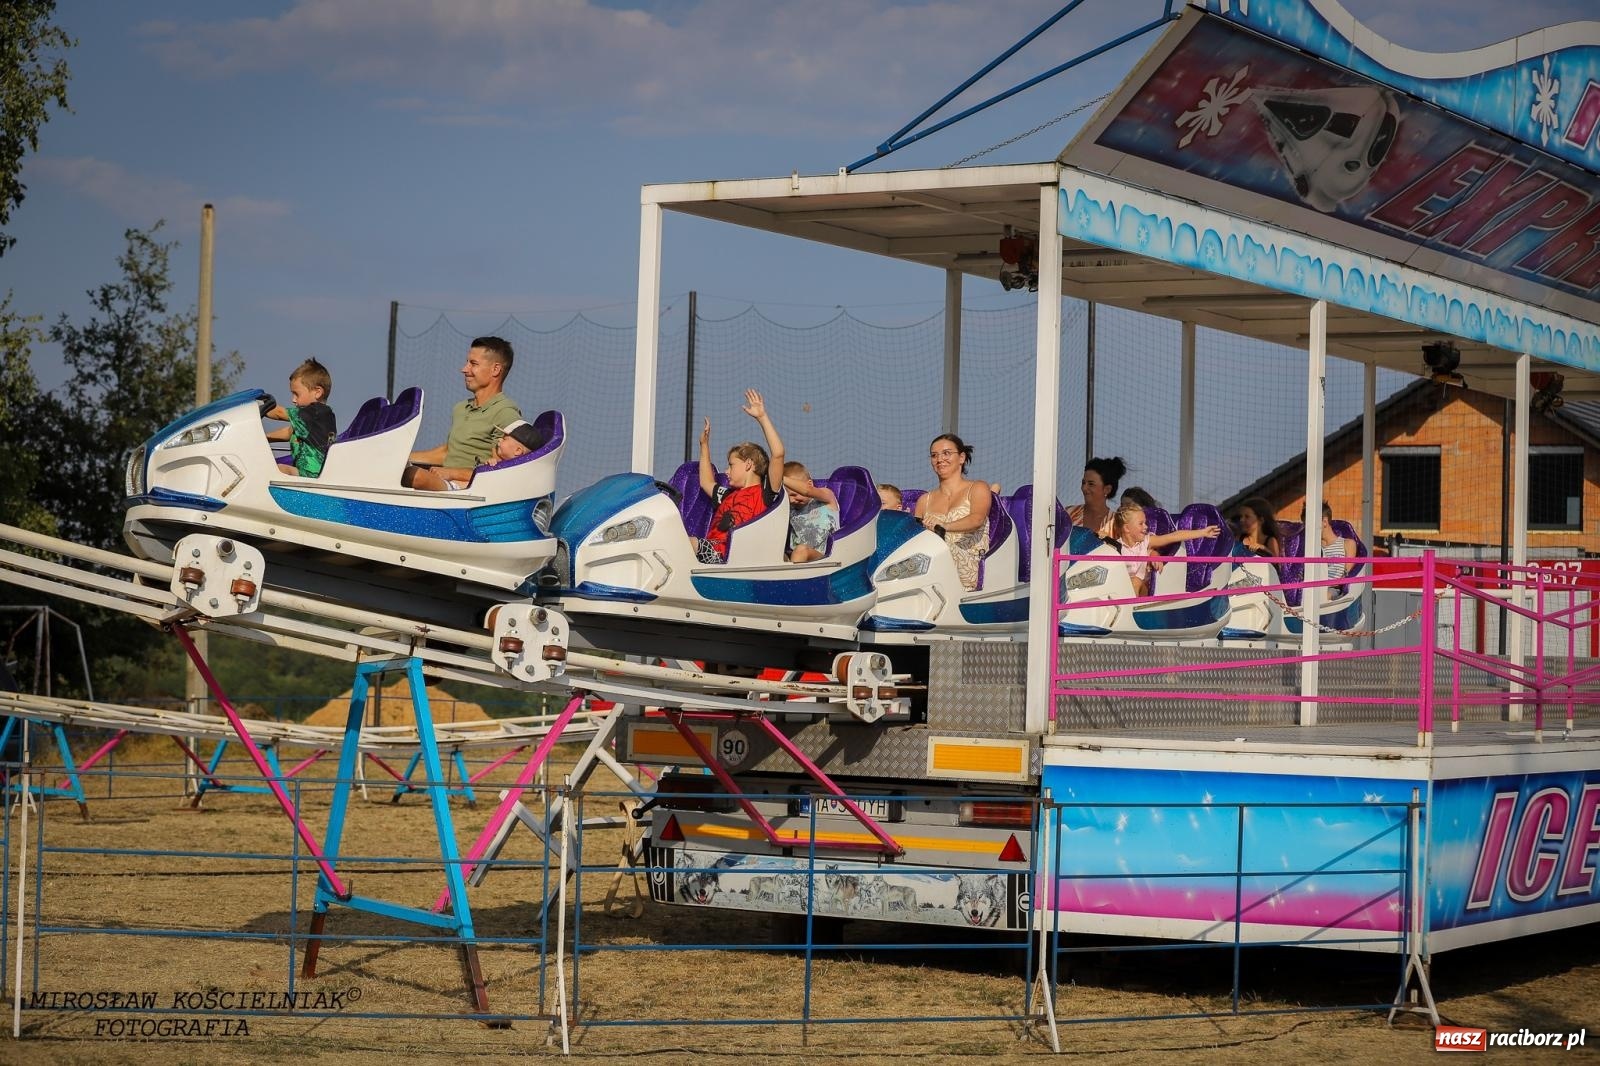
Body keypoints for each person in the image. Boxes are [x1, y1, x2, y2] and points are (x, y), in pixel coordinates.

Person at [403, 336, 522, 491]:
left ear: (495, 369)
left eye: (473, 364)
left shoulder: (505, 413)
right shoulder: (460, 408)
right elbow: (449, 452)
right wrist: (401, 457)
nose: (464, 369)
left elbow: (502, 471)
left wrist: (451, 473)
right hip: (443, 482)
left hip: (468, 492)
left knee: (414, 476)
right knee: (394, 469)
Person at [694, 389, 785, 564]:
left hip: (732, 558)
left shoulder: (766, 493)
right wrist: (704, 446)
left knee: (688, 543)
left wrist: (762, 417)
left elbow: (778, 454)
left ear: (749, 464)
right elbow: (706, 482)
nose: (726, 471)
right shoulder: (728, 495)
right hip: (709, 555)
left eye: (731, 465)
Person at [913, 433, 992, 592]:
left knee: (941, 552)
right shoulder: (924, 500)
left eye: (946, 453)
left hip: (968, 564)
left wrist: (943, 526)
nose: (939, 459)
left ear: (961, 458)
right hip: (930, 563)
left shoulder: (977, 487)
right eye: (934, 455)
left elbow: (976, 519)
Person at [1112, 498, 1220, 596]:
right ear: (1127, 528)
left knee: (1136, 581)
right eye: (1141, 524)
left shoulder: (1146, 542)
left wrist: (1202, 532)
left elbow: (1173, 536)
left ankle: (1129, 611)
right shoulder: (1115, 548)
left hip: (1146, 590)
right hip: (1122, 590)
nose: (1146, 526)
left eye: (1145, 523)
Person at [412, 419, 544, 489]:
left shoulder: (512, 472)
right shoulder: (502, 466)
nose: (499, 440)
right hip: (457, 489)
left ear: (518, 451)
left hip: (458, 494)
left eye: (504, 438)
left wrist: (490, 470)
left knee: (415, 475)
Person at [260, 358, 337, 478]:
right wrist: (264, 438)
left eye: (297, 394)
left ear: (317, 392)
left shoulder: (316, 412)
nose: (293, 399)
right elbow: (289, 432)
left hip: (312, 476)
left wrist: (258, 405)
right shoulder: (313, 419)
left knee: (279, 470)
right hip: (309, 475)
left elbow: (279, 413)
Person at [782, 461, 839, 563]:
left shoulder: (826, 498)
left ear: (810, 483)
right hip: (796, 557)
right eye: (788, 496)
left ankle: (796, 578)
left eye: (795, 494)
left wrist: (779, 477)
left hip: (825, 556)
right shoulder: (790, 508)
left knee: (801, 551)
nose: (791, 500)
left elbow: (807, 490)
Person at [1067, 456, 1126, 539]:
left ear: (1107, 489)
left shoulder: (1116, 522)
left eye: (1091, 484)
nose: (1084, 488)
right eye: (1083, 483)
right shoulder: (1069, 514)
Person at [1304, 500, 1358, 579]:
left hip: (1332, 588)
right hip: (1311, 588)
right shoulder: (1310, 547)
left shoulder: (1347, 544)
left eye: (1310, 524)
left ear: (1324, 522)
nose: (1307, 528)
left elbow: (1345, 577)